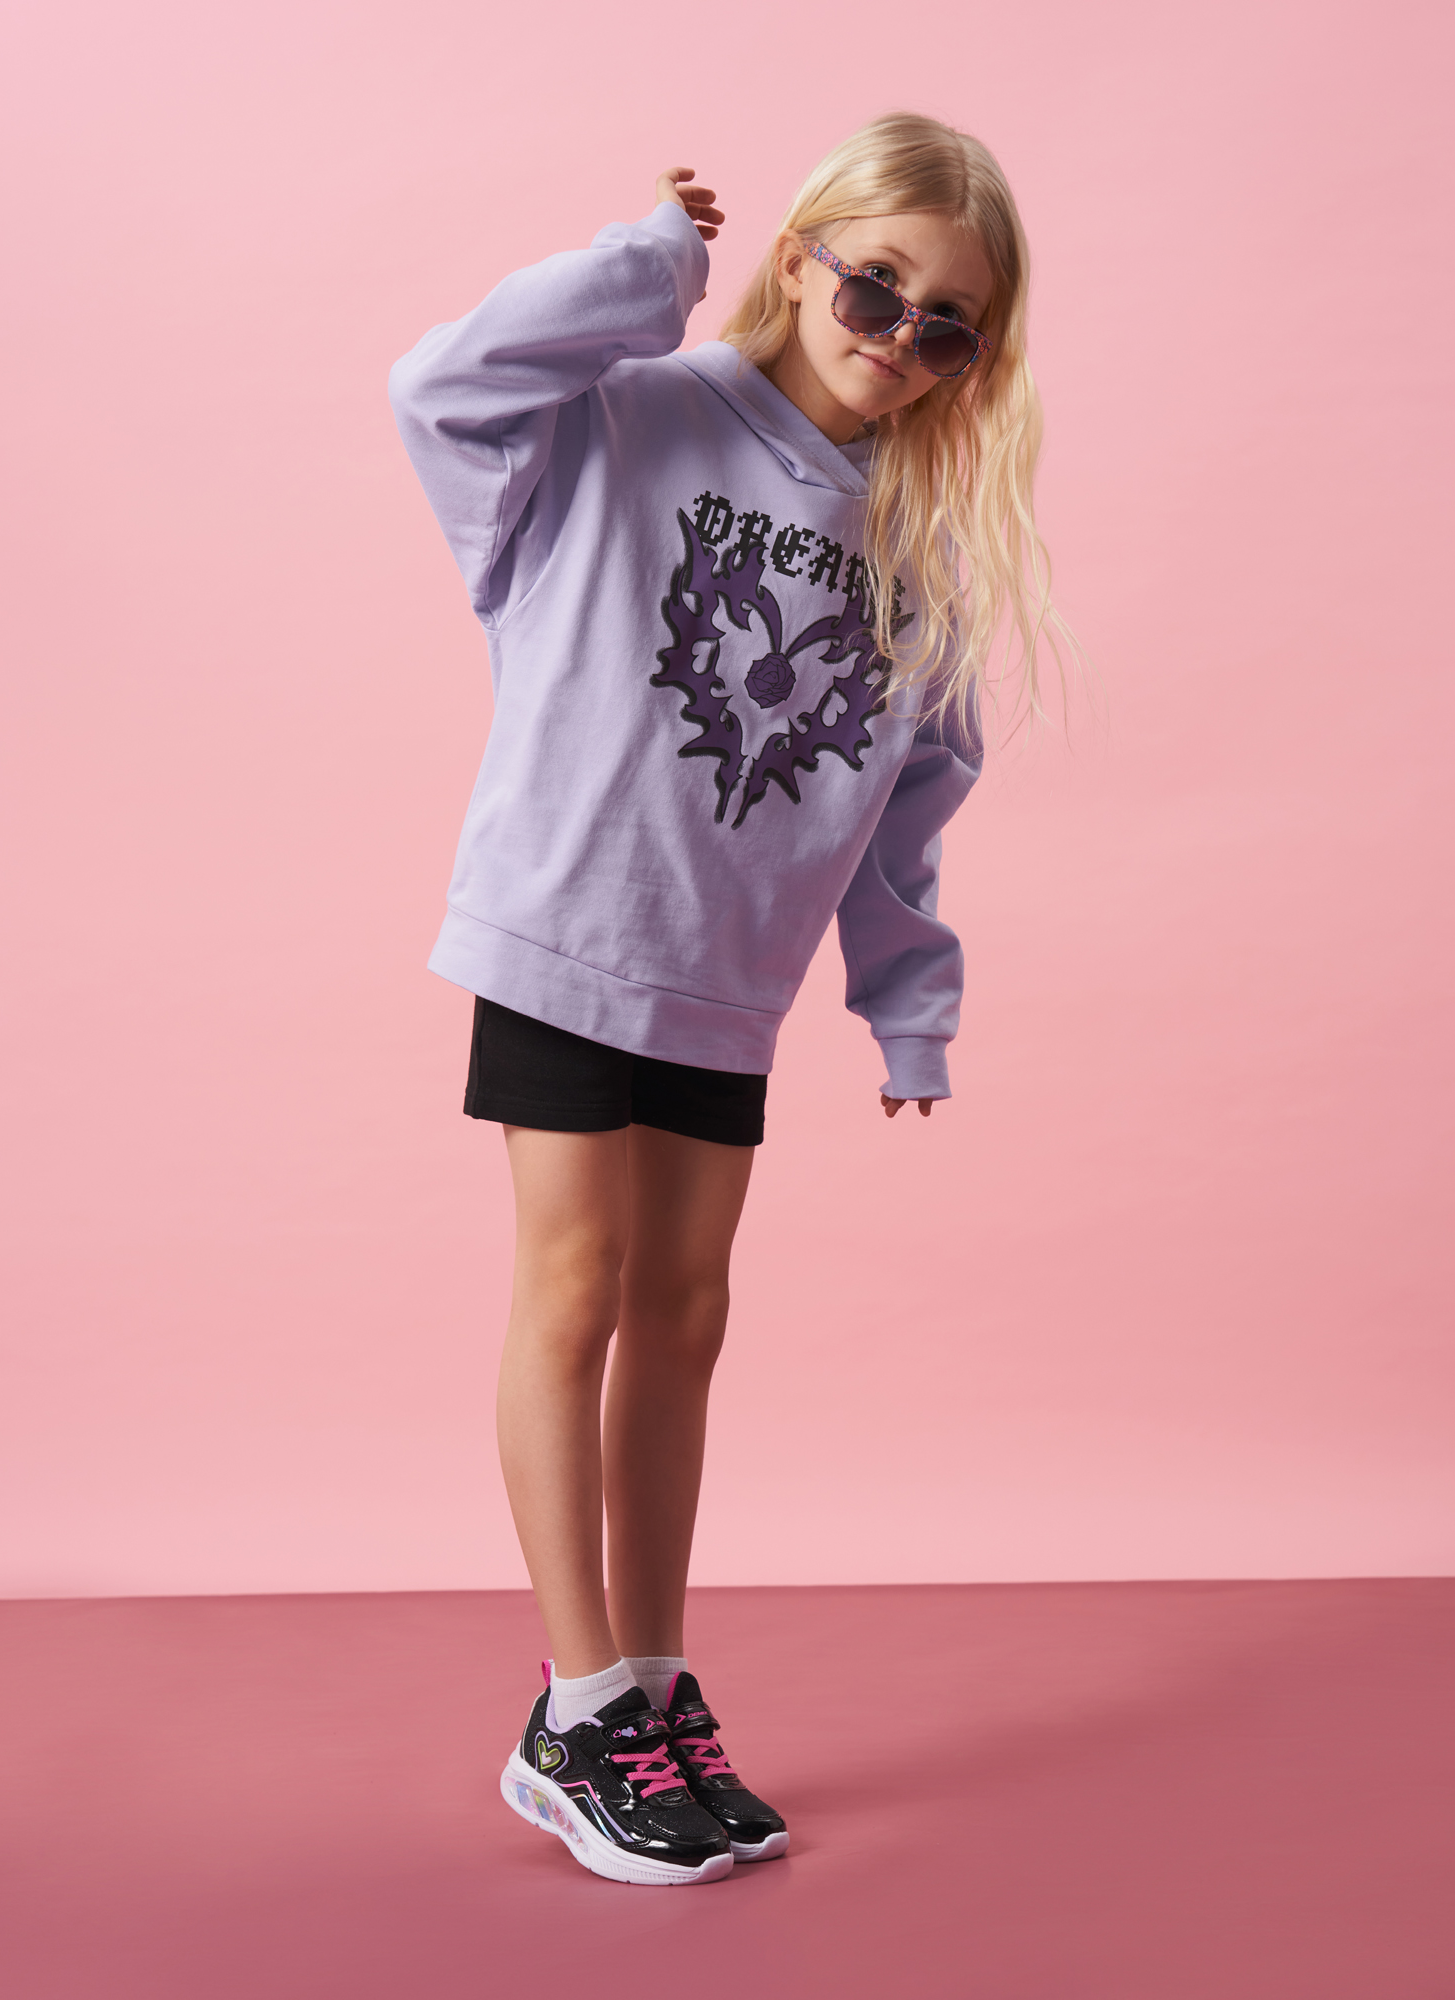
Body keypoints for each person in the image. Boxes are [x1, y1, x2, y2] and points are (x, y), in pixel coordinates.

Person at [388, 111, 1066, 1886]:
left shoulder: (917, 547)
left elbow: (911, 805)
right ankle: (576, 1708)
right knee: (575, 1289)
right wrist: (637, 274)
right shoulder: (632, 415)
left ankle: (654, 1684)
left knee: (684, 1311)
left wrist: (908, 1004)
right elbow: (439, 391)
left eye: (949, 325)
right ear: (798, 256)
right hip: (567, 924)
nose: (901, 336)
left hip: (725, 979)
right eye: (877, 287)